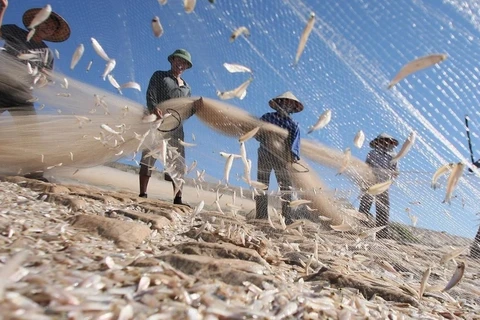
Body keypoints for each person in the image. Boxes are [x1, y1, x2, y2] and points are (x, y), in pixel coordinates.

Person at [139, 49, 202, 206]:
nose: (181, 65)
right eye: (179, 61)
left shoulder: (187, 88)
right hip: (157, 123)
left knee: (177, 163)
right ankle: (142, 194)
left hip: (176, 129)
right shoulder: (160, 75)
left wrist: (195, 108)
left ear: (187, 67)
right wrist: (154, 108)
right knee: (148, 157)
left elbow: (184, 113)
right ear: (172, 60)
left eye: (185, 63)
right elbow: (150, 94)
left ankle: (178, 199)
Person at [0, 0, 71, 116]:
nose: (48, 28)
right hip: (2, 84)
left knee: (29, 132)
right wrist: (2, 8)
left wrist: (43, 78)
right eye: (46, 23)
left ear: (53, 33)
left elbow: (43, 83)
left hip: (23, 95)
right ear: (38, 20)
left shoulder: (48, 53)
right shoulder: (15, 31)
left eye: (52, 28)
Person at [255, 91, 303, 225]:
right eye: (283, 102)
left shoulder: (294, 125)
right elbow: (256, 133)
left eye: (289, 104)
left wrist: (293, 155)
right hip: (264, 153)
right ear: (278, 104)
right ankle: (261, 215)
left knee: (286, 187)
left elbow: (295, 143)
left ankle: (287, 217)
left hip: (281, 158)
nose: (286, 105)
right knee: (262, 185)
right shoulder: (267, 117)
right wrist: (264, 136)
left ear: (293, 108)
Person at [358, 133, 399, 238]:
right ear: (378, 142)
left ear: (390, 143)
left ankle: (382, 234)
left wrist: (391, 177)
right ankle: (360, 229)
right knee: (365, 206)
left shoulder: (394, 156)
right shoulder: (372, 154)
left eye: (387, 141)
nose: (385, 143)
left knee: (383, 209)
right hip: (370, 183)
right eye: (382, 141)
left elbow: (395, 171)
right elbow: (366, 167)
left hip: (383, 185)